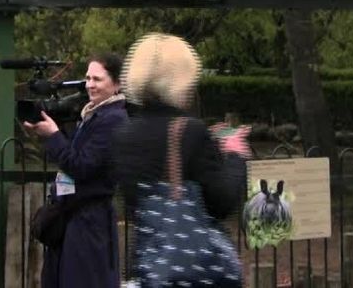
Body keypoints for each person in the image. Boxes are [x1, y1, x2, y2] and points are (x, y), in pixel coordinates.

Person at [112, 33, 249, 285]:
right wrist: (234, 155)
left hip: (150, 268)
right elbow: (221, 203)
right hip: (190, 272)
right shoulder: (189, 131)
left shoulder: (123, 135)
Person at [22, 54, 128, 288]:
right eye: (88, 78)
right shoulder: (92, 114)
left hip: (88, 222)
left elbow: (81, 166)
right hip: (72, 218)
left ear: (117, 83)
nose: (90, 84)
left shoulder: (113, 119)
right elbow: (69, 158)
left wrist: (53, 136)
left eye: (97, 79)